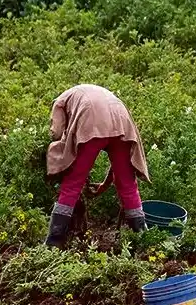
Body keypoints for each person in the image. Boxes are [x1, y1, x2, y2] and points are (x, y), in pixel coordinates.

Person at [45, 84, 150, 246]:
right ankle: (144, 240)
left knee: (73, 183)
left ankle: (54, 241)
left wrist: (55, 150)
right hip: (121, 119)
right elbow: (118, 163)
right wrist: (105, 184)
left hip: (92, 119)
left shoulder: (60, 101)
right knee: (128, 185)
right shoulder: (99, 93)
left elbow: (56, 133)